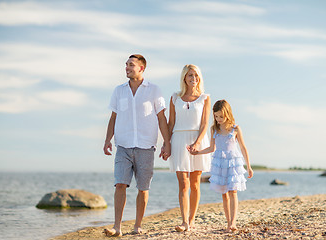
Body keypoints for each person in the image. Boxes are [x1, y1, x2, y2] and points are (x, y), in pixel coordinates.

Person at [103, 54, 171, 237]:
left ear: (141, 68)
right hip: (123, 146)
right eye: (126, 65)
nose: (127, 67)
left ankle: (137, 225)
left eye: (131, 65)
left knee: (143, 188)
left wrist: (167, 142)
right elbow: (113, 118)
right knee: (120, 184)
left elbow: (161, 118)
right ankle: (117, 227)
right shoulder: (119, 91)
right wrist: (107, 139)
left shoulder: (154, 90)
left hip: (145, 146)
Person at [188, 99, 253, 232]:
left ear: (227, 114)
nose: (218, 119)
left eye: (221, 116)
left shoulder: (235, 129)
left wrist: (249, 166)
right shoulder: (214, 129)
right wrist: (198, 152)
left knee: (233, 191)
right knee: (224, 193)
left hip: (233, 163)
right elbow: (212, 148)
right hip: (220, 164)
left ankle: (233, 223)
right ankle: (228, 221)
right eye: (216, 116)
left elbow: (243, 147)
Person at [165, 64, 211, 232]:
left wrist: (198, 143)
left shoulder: (204, 98)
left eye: (196, 76)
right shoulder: (175, 97)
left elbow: (205, 123)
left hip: (198, 140)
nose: (194, 79)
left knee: (195, 184)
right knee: (183, 184)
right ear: (184, 77)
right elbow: (171, 123)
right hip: (179, 139)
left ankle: (191, 220)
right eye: (190, 75)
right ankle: (184, 221)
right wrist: (166, 143)